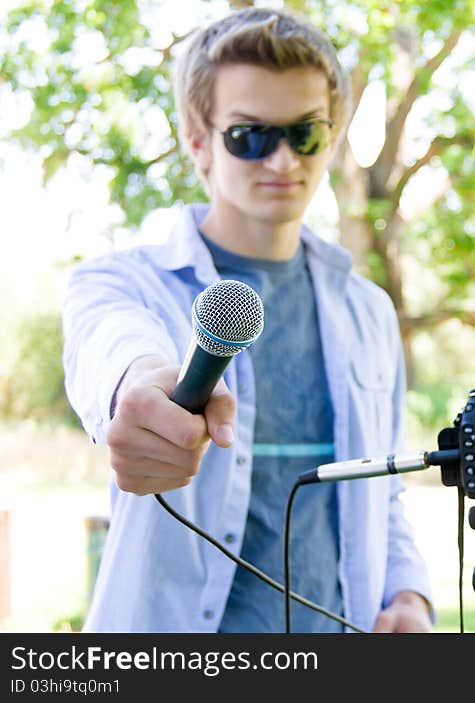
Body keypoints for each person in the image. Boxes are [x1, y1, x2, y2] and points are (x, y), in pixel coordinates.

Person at [61, 6, 434, 633]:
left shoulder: (369, 310)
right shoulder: (121, 282)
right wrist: (138, 385)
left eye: (305, 134)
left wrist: (408, 597)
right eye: (250, 136)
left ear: (333, 137)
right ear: (199, 140)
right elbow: (112, 346)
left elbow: (383, 493)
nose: (283, 161)